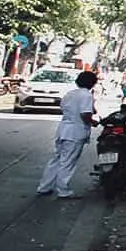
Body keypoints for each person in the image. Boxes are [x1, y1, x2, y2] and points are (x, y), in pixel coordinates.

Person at [36, 71, 98, 199]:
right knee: (68, 161)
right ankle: (63, 189)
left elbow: (65, 108)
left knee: (56, 159)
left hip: (63, 129)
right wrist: (93, 122)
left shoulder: (70, 94)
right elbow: (85, 114)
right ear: (92, 83)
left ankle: (45, 186)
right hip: (76, 131)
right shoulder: (86, 95)